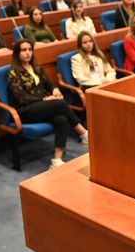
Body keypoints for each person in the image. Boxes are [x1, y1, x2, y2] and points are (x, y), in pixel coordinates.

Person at [7, 38, 88, 169]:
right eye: (24, 50)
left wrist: (55, 90)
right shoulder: (13, 73)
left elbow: (49, 84)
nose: (28, 53)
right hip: (24, 111)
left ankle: (56, 160)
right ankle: (83, 133)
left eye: (30, 49)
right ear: (17, 53)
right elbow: (22, 98)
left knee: (61, 120)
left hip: (39, 108)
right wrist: (45, 99)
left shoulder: (36, 68)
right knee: (60, 104)